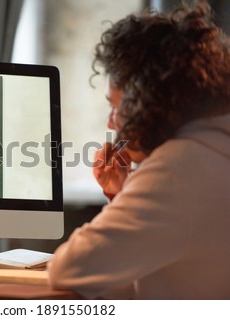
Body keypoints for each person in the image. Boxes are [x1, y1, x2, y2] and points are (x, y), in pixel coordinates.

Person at [48, 2, 230, 299]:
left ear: (142, 102)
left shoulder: (178, 168)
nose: (111, 121)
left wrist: (138, 188)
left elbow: (70, 269)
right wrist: (125, 194)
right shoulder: (215, 148)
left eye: (115, 105)